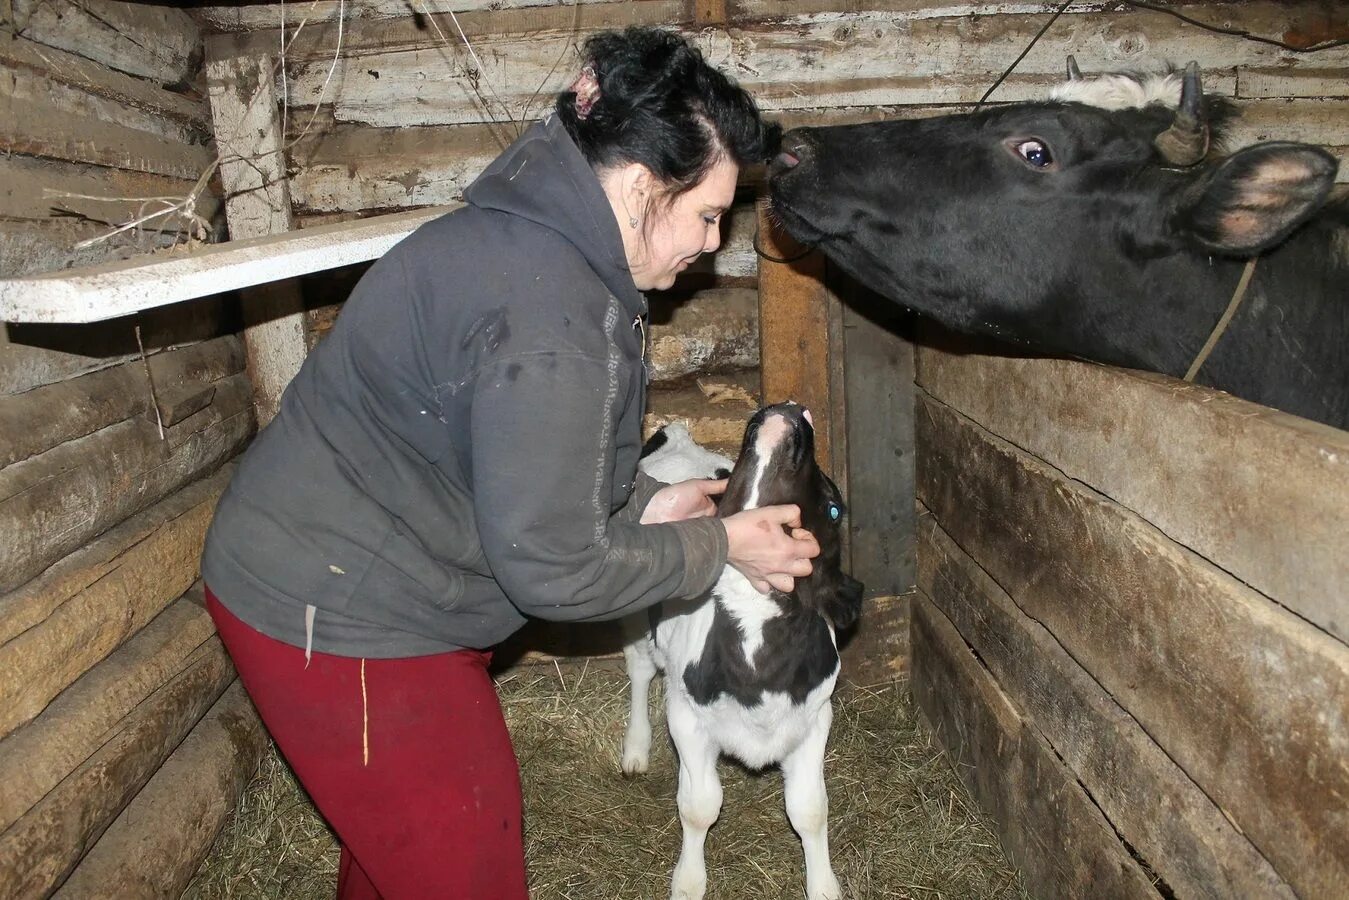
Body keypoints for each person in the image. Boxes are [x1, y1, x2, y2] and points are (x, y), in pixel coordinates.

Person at [201, 25, 819, 900]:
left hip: (365, 570)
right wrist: (723, 549)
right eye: (708, 214)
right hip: (343, 614)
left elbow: (517, 456)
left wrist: (644, 500)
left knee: (404, 852)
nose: (713, 244)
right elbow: (554, 575)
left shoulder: (547, 252)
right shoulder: (552, 313)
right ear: (643, 186)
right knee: (467, 868)